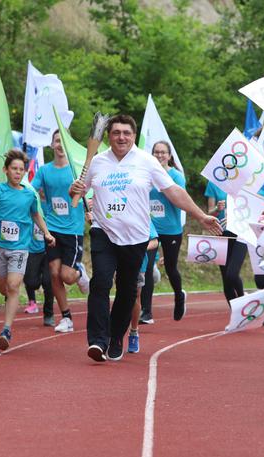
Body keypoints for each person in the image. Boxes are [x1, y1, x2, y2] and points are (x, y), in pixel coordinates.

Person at [70, 114, 221, 362]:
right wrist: (74, 190)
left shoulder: (147, 161)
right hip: (103, 232)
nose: (121, 137)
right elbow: (79, 191)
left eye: (126, 133)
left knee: (128, 291)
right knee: (100, 283)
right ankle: (97, 341)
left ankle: (116, 336)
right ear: (108, 136)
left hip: (135, 237)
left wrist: (200, 215)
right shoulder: (96, 161)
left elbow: (173, 191)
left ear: (133, 136)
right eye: (116, 132)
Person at [0, 149, 55, 351]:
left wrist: (47, 233)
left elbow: (36, 215)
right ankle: (9, 304)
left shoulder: (30, 194)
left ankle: (6, 329)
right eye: (14, 169)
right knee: (4, 288)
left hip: (20, 248)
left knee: (14, 286)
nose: (17, 173)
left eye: (21, 170)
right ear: (6, 170)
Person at [31, 130, 90, 333]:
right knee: (54, 274)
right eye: (57, 141)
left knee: (66, 275)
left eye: (63, 141)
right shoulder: (45, 171)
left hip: (73, 230)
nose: (60, 145)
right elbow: (32, 190)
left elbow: (89, 194)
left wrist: (90, 205)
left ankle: (80, 272)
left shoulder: (77, 170)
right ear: (51, 144)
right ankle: (66, 317)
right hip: (52, 228)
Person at [143, 140, 187, 323]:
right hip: (151, 229)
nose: (159, 155)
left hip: (171, 229)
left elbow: (180, 200)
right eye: (156, 152)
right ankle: (146, 312)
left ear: (169, 156)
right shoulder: (146, 175)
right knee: (146, 268)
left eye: (163, 152)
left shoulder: (176, 176)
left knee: (170, 267)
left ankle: (179, 296)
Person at [205, 180, 247, 305]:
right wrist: (218, 208)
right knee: (226, 277)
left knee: (232, 274)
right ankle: (235, 312)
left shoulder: (244, 183)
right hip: (221, 232)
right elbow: (210, 212)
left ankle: (243, 302)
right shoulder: (213, 183)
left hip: (241, 233)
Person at [129, 223, 159, 353]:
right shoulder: (116, 211)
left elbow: (154, 242)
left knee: (136, 296)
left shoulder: (142, 215)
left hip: (139, 262)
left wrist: (140, 248)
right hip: (119, 261)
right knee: (122, 295)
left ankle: (133, 332)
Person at [23, 221, 55, 326]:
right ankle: (32, 299)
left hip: (49, 249)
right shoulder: (32, 206)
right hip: (32, 250)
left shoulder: (50, 207)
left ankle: (49, 315)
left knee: (48, 282)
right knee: (31, 282)